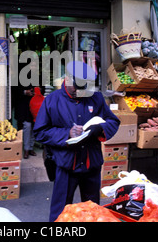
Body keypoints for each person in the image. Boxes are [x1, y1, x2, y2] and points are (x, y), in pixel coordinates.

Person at [33, 61, 120, 222]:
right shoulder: (52, 100)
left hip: (91, 163)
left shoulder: (96, 98)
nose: (79, 92)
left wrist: (100, 129)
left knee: (93, 212)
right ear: (67, 78)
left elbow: (113, 121)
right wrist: (67, 133)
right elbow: (40, 132)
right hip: (66, 165)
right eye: (76, 87)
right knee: (61, 212)